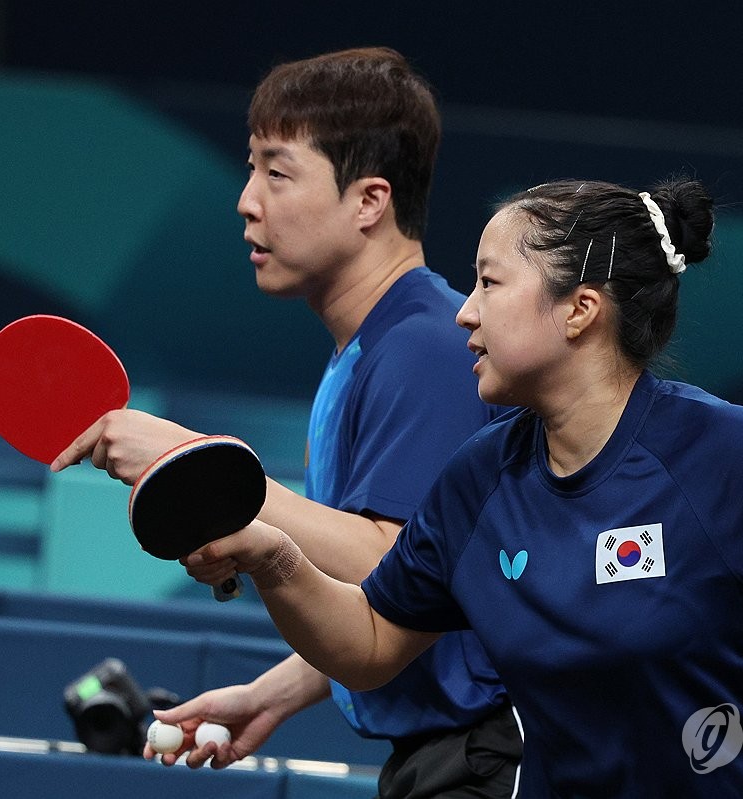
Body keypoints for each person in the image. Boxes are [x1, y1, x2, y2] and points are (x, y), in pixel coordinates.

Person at [178, 177, 743, 797]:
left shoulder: (727, 451)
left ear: (580, 310)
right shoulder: (479, 477)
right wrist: (273, 558)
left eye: (489, 283)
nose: (465, 315)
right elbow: (370, 644)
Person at [52, 47, 522, 797]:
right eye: (249, 169)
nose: (246, 199)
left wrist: (202, 463)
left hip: (488, 756)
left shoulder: (428, 349)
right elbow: (396, 610)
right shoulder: (363, 351)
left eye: (276, 171)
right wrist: (270, 694)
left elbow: (405, 570)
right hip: (436, 757)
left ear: (369, 201)